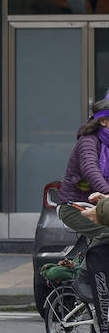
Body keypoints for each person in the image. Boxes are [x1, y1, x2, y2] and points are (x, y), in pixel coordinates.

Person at [55, 98, 109, 246]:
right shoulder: (88, 141)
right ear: (103, 121)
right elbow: (89, 168)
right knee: (106, 234)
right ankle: (86, 269)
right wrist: (107, 192)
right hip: (75, 206)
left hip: (102, 206)